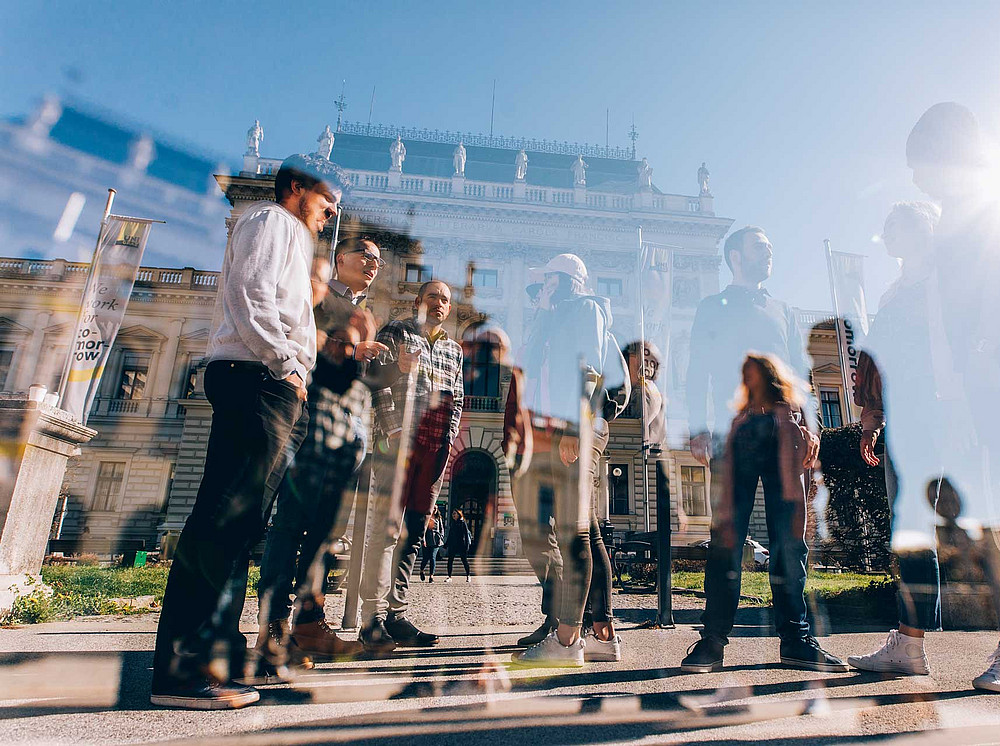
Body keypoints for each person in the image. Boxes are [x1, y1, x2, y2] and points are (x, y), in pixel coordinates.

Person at [150, 154, 345, 710]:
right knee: (222, 523)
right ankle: (180, 673)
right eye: (326, 199)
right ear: (296, 188)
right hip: (256, 377)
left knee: (239, 530)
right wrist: (285, 362)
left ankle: (209, 662)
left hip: (270, 381)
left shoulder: (289, 234)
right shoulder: (269, 221)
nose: (331, 213)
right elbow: (251, 294)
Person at [681, 225, 844, 674]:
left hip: (785, 436)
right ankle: (712, 642)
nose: (769, 253)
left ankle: (797, 640)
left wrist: (811, 427)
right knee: (727, 540)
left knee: (791, 541)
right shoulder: (711, 308)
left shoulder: (784, 310)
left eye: (771, 247)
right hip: (733, 434)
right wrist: (697, 427)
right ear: (735, 255)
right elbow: (697, 370)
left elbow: (799, 376)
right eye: (760, 247)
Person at [896, 102, 1000, 692]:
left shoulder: (983, 209)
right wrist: (954, 386)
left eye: (922, 163)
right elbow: (943, 319)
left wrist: (978, 361)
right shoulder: (955, 218)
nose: (917, 178)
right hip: (975, 381)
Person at [253, 238, 388, 675]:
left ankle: (309, 623)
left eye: (378, 260)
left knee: (325, 533)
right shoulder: (316, 294)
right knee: (291, 525)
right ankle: (272, 629)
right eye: (364, 255)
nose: (373, 263)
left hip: (349, 433)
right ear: (340, 259)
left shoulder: (365, 311)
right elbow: (295, 339)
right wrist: (349, 347)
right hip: (311, 424)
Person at [846, 202, 951, 676]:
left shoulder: (948, 280)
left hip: (953, 409)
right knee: (911, 530)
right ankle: (910, 645)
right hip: (908, 419)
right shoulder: (893, 292)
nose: (886, 232)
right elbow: (878, 362)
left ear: (922, 228)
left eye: (896, 223)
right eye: (885, 225)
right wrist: (872, 415)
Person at [512, 253, 628, 667]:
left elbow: (589, 369)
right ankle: (602, 636)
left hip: (574, 426)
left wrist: (572, 426)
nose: (538, 292)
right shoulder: (554, 318)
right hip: (559, 428)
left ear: (564, 281)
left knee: (573, 531)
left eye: (544, 283)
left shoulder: (584, 309)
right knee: (588, 532)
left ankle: (565, 642)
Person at [359, 280, 464, 652]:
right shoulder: (398, 331)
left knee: (415, 531)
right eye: (433, 296)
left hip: (434, 448)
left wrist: (449, 437)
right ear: (418, 301)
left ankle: (396, 615)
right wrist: (389, 427)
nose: (439, 303)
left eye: (445, 300)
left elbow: (459, 395)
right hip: (398, 442)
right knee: (386, 528)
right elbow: (377, 381)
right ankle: (370, 620)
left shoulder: (453, 349)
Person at [444, 509, 473, 582]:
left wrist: (467, 546)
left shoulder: (463, 523)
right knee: (450, 561)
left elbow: (466, 535)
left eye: (455, 513)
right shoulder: (452, 523)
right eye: (453, 514)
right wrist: (446, 544)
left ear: (458, 514)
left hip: (461, 545)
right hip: (453, 545)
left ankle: (468, 575)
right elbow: (450, 535)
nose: (453, 515)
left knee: (464, 560)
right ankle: (449, 577)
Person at [419, 505, 444, 582]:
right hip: (427, 540)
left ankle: (431, 576)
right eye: (433, 508)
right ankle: (422, 570)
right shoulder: (426, 517)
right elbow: (422, 529)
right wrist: (423, 540)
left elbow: (441, 529)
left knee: (433, 558)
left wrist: (441, 537)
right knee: (425, 558)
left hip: (436, 541)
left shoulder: (438, 518)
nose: (435, 510)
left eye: (436, 508)